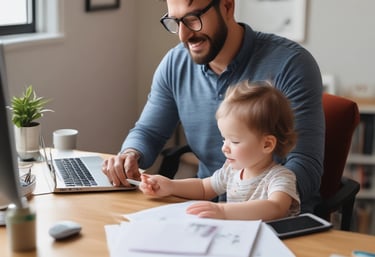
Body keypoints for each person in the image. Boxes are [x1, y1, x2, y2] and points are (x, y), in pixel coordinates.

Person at [102, 0, 324, 213]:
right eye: (176, 22)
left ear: (227, 6)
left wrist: (246, 208)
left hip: (275, 217)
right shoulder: (174, 64)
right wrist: (130, 155)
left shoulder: (291, 64)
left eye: (193, 18)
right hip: (206, 207)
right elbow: (148, 132)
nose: (183, 35)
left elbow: (304, 164)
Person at [139, 81, 300, 220]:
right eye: (224, 139)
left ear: (267, 145)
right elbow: (203, 188)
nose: (225, 147)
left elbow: (276, 207)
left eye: (234, 141)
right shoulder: (231, 171)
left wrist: (223, 210)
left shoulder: (280, 178)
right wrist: (171, 186)